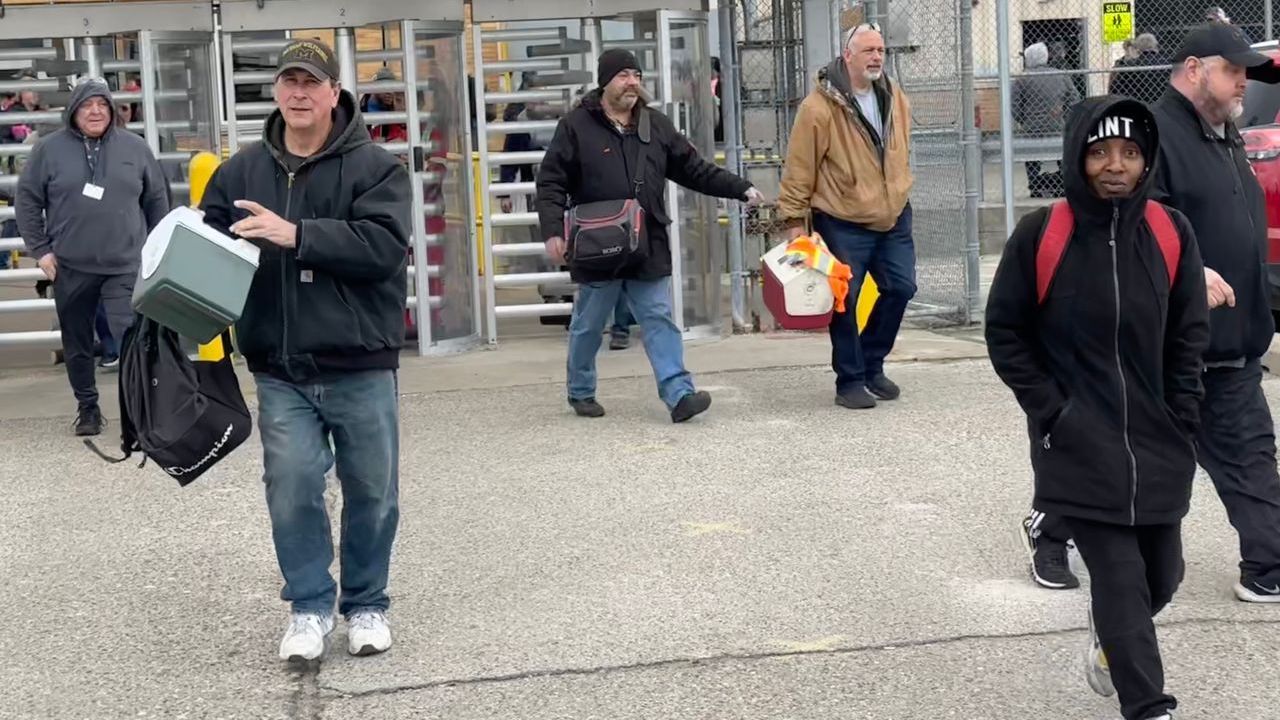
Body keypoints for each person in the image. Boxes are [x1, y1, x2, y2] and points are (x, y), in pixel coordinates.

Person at [987, 96, 1209, 720]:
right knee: (1118, 577)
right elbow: (1005, 332)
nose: (1115, 165)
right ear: (1077, 158)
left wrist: (1183, 415)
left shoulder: (1170, 232)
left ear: (1147, 161)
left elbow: (1189, 334)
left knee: (1161, 577)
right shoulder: (1043, 234)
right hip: (1078, 442)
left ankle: (1111, 639)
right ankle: (1149, 707)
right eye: (1101, 152)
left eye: (1130, 153)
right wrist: (1054, 412)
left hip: (1159, 439)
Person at [199, 39, 412, 661]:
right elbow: (210, 246)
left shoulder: (377, 168)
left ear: (333, 93)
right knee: (291, 485)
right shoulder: (240, 171)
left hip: (360, 361)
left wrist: (298, 236)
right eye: (289, 81)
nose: (298, 93)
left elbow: (383, 249)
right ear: (276, 91)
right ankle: (309, 606)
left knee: (372, 490)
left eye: (311, 83)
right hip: (280, 365)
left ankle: (367, 604)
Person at [536, 49, 763, 422]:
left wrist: (740, 188)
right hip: (596, 244)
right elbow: (550, 183)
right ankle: (580, 390)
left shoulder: (656, 125)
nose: (632, 83)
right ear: (605, 81)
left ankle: (679, 394)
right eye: (624, 75)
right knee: (589, 325)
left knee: (658, 317)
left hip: (647, 242)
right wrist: (552, 231)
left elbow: (694, 169)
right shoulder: (575, 126)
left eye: (637, 75)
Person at [1150, 22, 1280, 604]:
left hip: (1232, 345)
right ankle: (1053, 529)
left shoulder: (1225, 135)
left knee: (1250, 452)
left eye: (1246, 72)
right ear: (1194, 69)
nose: (1243, 83)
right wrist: (1188, 271)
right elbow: (1134, 224)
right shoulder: (1154, 135)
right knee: (1129, 462)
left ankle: (1269, 566)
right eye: (1232, 70)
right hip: (1171, 348)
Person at [16, 78, 169, 436]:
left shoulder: (135, 148)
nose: (95, 111)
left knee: (132, 339)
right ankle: (87, 408)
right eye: (87, 105)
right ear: (73, 111)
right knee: (77, 342)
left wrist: (157, 249)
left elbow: (156, 200)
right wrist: (41, 251)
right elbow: (27, 200)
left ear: (112, 109)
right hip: (70, 267)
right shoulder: (48, 150)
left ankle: (138, 413)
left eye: (102, 104)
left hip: (125, 265)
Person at [776, 23, 916, 410]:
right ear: (848, 55)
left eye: (881, 50)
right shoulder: (818, 107)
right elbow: (799, 167)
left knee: (902, 287)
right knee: (844, 300)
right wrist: (794, 222)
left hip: (893, 216)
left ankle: (872, 364)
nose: (877, 57)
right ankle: (850, 380)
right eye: (869, 50)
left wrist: (900, 187)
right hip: (841, 218)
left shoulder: (894, 96)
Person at [1013, 42, 1079, 198]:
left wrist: (1023, 119)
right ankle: (1063, 185)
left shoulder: (1022, 79)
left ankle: (1034, 187)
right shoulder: (1061, 75)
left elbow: (1014, 104)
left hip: (1032, 126)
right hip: (1056, 124)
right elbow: (1074, 97)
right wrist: (1064, 114)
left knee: (1031, 158)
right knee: (1061, 155)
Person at [1109, 33, 1165, 106]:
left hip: (1136, 105)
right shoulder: (1166, 64)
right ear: (1156, 47)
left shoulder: (1129, 67)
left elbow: (1115, 90)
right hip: (1161, 105)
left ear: (1138, 49)